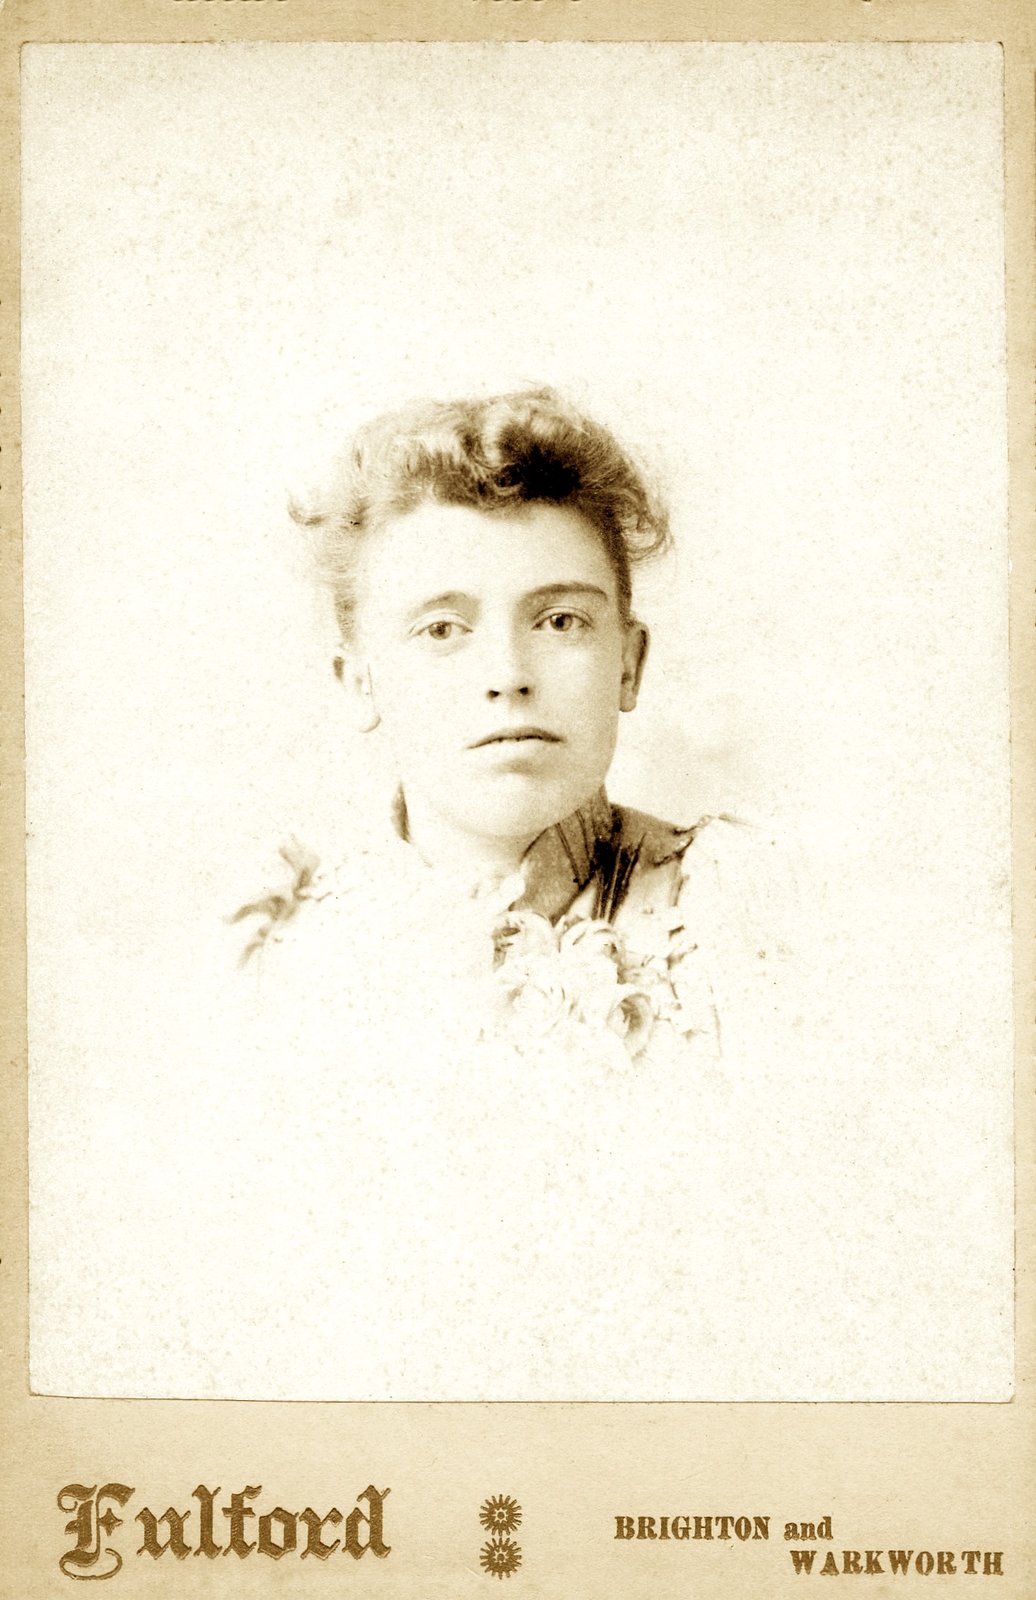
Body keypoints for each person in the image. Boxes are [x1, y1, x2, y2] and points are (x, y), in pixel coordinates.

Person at [233, 386, 790, 1067]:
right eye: (442, 628)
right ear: (360, 682)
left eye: (560, 621)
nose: (506, 674)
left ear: (628, 664)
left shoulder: (751, 912)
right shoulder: (274, 954)